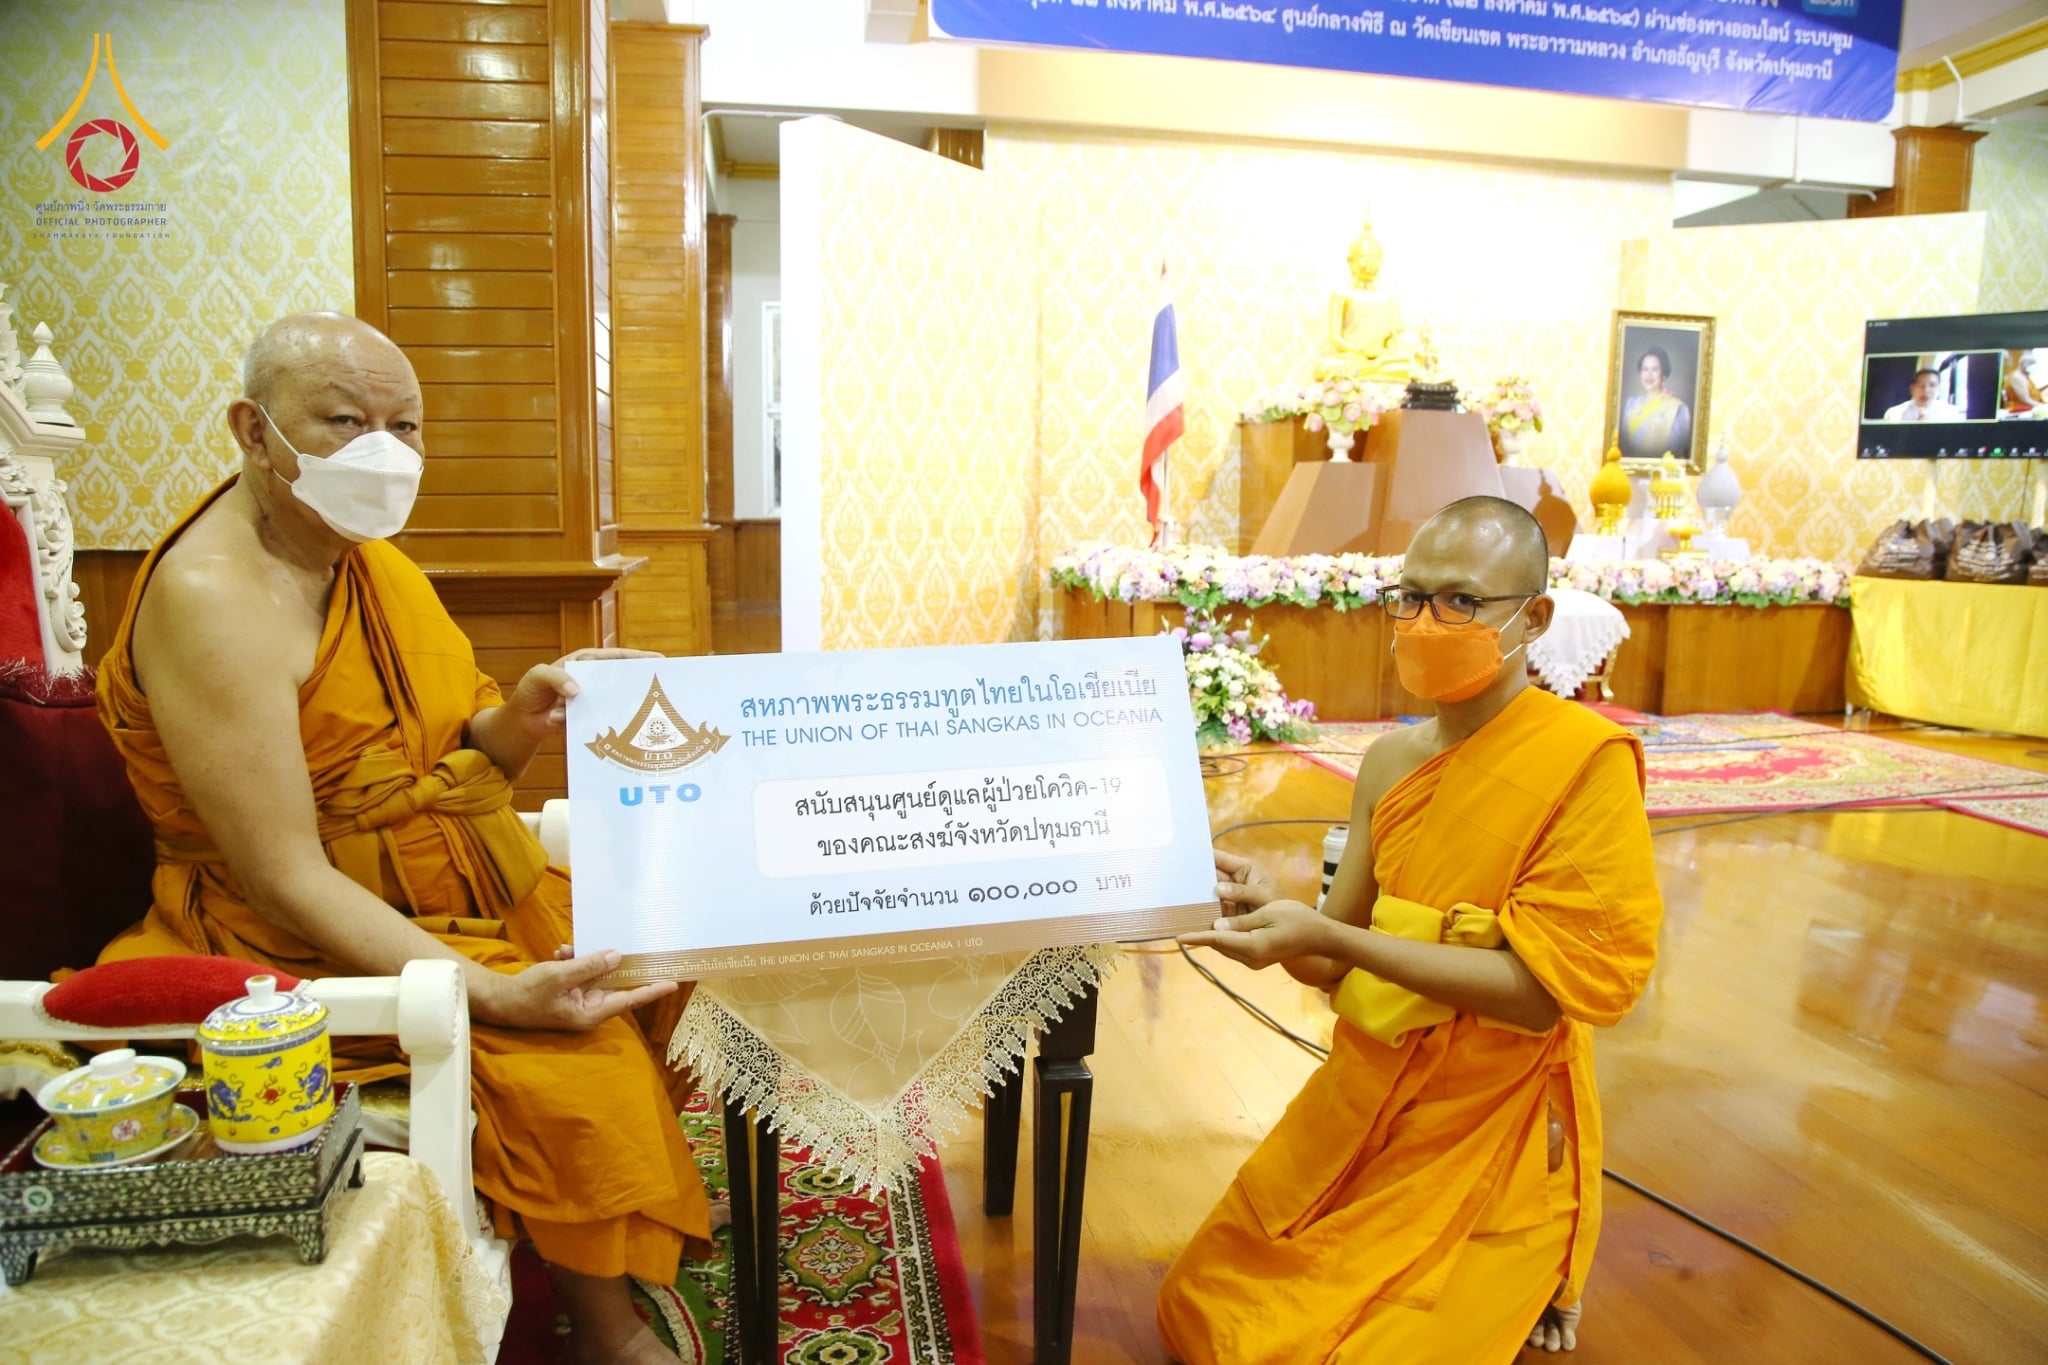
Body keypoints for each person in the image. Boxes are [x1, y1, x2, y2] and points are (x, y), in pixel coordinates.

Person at [96, 313, 711, 1365]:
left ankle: (594, 1233)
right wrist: (489, 990)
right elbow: (283, 875)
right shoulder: (215, 597)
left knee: (662, 949)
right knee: (579, 1057)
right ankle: (606, 1330)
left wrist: (518, 719)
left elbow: (445, 754)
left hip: (448, 883)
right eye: (343, 421)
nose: (383, 451)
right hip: (283, 938)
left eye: (405, 425)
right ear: (253, 429)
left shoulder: (364, 560)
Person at [1158, 496, 1663, 1364]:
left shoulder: (1585, 762)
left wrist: (1338, 940)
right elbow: (1328, 957)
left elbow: (1540, 999)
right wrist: (1272, 907)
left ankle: (1536, 1259)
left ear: (1533, 617)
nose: (1429, 622)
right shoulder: (1391, 763)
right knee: (1203, 1314)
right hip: (1370, 1089)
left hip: (1486, 1116)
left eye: (1462, 601)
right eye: (1413, 595)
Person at [1617, 346, 1692, 461]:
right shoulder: (1631, 405)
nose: (1649, 375)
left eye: (1655, 369)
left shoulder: (1678, 409)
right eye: (1645, 369)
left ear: (1663, 373)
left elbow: (1676, 452)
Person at [1885, 368, 1965, 422]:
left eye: (1932, 385)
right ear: (1912, 388)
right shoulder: (1893, 413)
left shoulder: (1951, 413)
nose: (1926, 390)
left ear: (1938, 389)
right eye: (1921, 385)